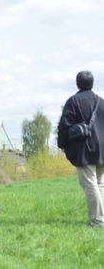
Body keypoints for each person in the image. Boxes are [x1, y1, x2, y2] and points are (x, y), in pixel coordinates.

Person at [58, 70, 104, 226]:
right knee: (100, 183)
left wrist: (62, 144)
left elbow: (64, 126)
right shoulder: (101, 102)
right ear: (92, 83)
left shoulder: (73, 102)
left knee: (90, 183)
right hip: (102, 149)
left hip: (85, 149)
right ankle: (101, 218)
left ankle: (97, 221)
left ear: (77, 83)